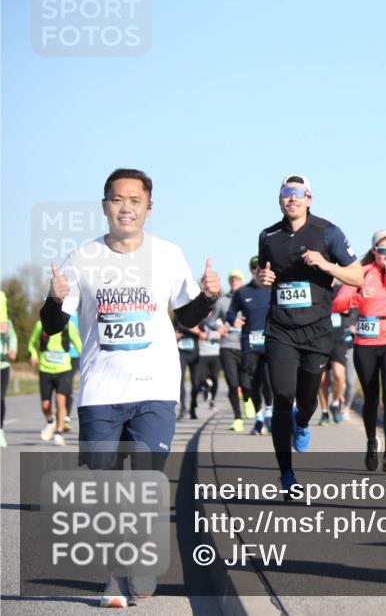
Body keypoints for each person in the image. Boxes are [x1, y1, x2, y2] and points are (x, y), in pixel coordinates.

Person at [40, 167, 220, 607]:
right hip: (100, 391)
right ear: (105, 206)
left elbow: (186, 316)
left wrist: (209, 298)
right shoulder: (83, 258)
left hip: (154, 388)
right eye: (117, 199)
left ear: (148, 207)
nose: (126, 207)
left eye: (135, 200)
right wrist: (54, 299)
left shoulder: (168, 255)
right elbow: (52, 325)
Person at [256, 175, 362, 494]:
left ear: (309, 199)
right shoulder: (268, 236)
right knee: (282, 397)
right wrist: (263, 278)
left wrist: (327, 266)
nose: (292, 198)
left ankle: (302, 421)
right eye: (286, 193)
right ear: (279, 199)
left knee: (306, 401)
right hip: (280, 329)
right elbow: (265, 274)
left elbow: (357, 276)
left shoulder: (328, 232)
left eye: (298, 193)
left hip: (317, 330)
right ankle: (287, 475)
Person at [333, 231, 386, 470]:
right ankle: (371, 442)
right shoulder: (361, 272)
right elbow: (337, 304)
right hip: (366, 344)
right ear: (374, 250)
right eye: (382, 250)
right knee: (371, 397)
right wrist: (358, 297)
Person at [227, 256, 273, 435]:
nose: (258, 271)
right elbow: (230, 314)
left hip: (270, 344)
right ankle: (259, 417)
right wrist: (235, 320)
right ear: (251, 271)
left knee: (268, 382)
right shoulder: (242, 292)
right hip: (249, 345)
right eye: (255, 268)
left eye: (261, 268)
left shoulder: (274, 290)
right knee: (252, 385)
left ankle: (269, 414)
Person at [27, 318, 82, 446]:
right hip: (45, 369)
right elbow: (31, 343)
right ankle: (51, 421)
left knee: (60, 401)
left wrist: (86, 360)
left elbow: (78, 345)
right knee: (45, 405)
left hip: (63, 370)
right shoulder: (40, 324)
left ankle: (58, 434)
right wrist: (33, 355)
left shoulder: (69, 326)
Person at [208, 268, 247, 431]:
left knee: (246, 383)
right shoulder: (222, 301)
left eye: (237, 279)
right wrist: (218, 328)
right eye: (232, 279)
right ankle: (238, 418)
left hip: (246, 345)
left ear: (242, 281)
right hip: (227, 345)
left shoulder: (248, 297)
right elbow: (210, 320)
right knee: (232, 383)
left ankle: (248, 401)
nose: (234, 281)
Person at [320, 283, 357, 426]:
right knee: (322, 380)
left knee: (339, 375)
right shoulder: (317, 287)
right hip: (320, 340)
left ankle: (335, 403)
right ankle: (324, 412)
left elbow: (350, 310)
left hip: (338, 341)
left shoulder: (342, 289)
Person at [175, 321, 200, 418]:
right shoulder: (178, 318)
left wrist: (198, 331)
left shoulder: (198, 318)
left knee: (196, 383)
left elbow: (204, 330)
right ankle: (183, 408)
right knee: (180, 381)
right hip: (181, 354)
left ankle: (193, 407)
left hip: (195, 354)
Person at [0, 318, 17, 448]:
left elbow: (12, 337)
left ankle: (0, 430)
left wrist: (12, 349)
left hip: (2, 365)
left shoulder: (6, 321)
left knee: (0, 398)